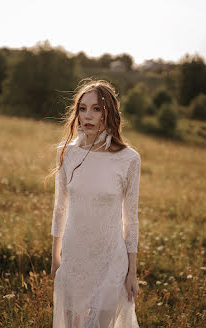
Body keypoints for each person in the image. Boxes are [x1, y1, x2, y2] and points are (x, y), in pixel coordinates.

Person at [48, 78, 141, 328]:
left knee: (100, 323)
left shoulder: (129, 159)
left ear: (108, 113)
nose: (88, 115)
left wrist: (132, 272)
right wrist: (56, 259)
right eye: (82, 108)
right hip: (74, 255)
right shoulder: (66, 152)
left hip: (112, 259)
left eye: (96, 109)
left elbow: (131, 218)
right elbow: (60, 209)